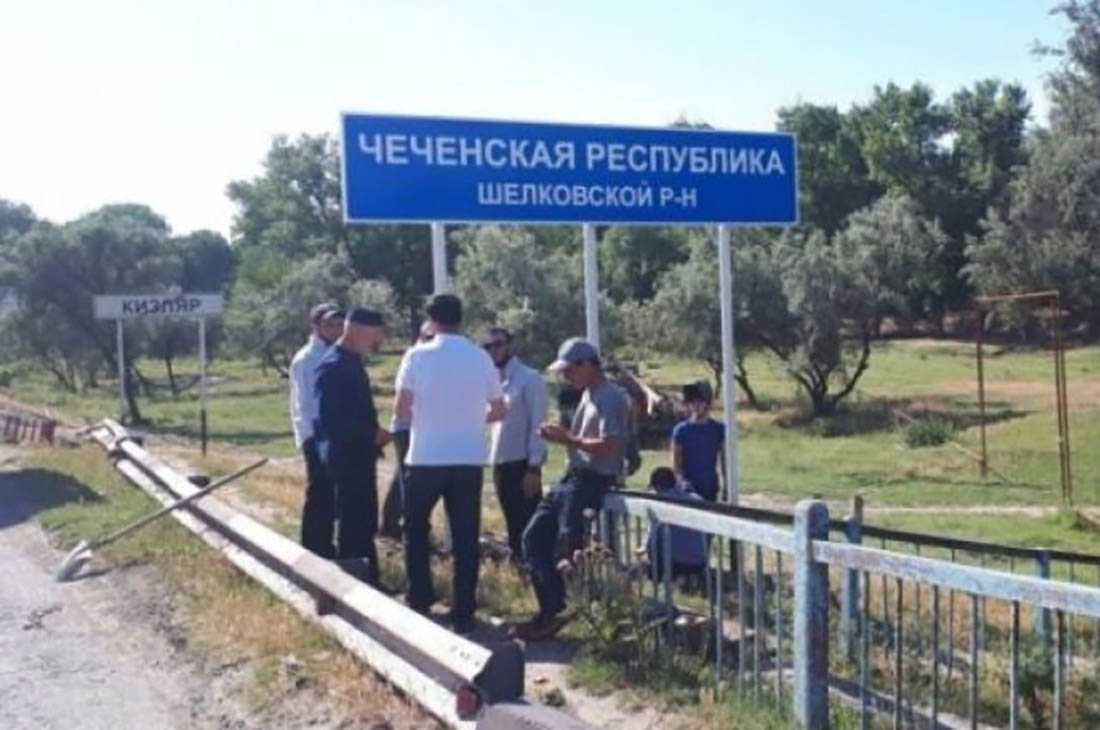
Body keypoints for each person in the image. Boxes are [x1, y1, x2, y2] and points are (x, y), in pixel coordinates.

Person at [394, 294, 505, 634]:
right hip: (468, 457)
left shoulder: (416, 356)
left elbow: (401, 408)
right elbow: (499, 410)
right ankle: (464, 611)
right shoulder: (480, 358)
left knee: (415, 529)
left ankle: (420, 597)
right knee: (465, 535)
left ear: (431, 320)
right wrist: (471, 419)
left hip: (426, 456)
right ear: (460, 319)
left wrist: (430, 419)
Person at [513, 337, 630, 642]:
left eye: (570, 370)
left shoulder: (611, 398)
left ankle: (564, 610)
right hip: (574, 477)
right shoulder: (590, 394)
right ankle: (553, 608)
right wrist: (568, 439)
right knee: (533, 537)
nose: (566, 377)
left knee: (567, 544)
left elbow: (611, 445)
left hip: (592, 479)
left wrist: (568, 440)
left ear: (588, 364)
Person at [313, 308, 390, 584]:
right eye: (374, 335)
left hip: (359, 456)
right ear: (356, 330)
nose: (376, 342)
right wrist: (371, 435)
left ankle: (370, 581)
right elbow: (331, 419)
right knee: (352, 524)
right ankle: (353, 586)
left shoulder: (351, 361)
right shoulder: (333, 365)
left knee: (364, 520)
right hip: (346, 458)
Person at [484, 327, 548, 563]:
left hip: (522, 463)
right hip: (500, 462)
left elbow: (537, 425)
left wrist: (533, 468)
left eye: (498, 344)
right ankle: (521, 570)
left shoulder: (529, 378)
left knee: (528, 523)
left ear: (509, 345)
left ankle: (534, 569)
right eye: (488, 346)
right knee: (512, 523)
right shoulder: (493, 381)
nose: (493, 351)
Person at [289, 302, 343, 558]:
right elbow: (308, 403)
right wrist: (314, 438)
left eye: (338, 324)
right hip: (315, 435)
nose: (335, 329)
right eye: (329, 324)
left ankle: (325, 545)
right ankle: (313, 546)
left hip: (332, 434)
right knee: (319, 491)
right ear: (316, 326)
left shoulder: (337, 352)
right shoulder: (307, 358)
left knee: (331, 493)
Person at [379, 320, 435, 539]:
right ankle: (400, 527)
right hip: (407, 427)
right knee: (410, 478)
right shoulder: (415, 357)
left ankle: (393, 523)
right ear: (420, 337)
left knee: (405, 477)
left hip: (421, 426)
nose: (432, 341)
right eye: (428, 337)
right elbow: (405, 401)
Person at [639, 467, 707, 586]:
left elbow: (652, 538)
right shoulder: (697, 499)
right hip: (698, 562)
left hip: (672, 563)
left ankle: (657, 582)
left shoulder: (659, 504)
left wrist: (644, 552)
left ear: (657, 487)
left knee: (657, 543)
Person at [671, 381, 726, 503]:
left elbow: (724, 460)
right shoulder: (681, 430)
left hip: (710, 485)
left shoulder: (718, 429)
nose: (695, 406)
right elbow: (676, 463)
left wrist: (727, 484)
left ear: (707, 404)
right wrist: (681, 482)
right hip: (689, 487)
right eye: (692, 402)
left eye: (699, 402)